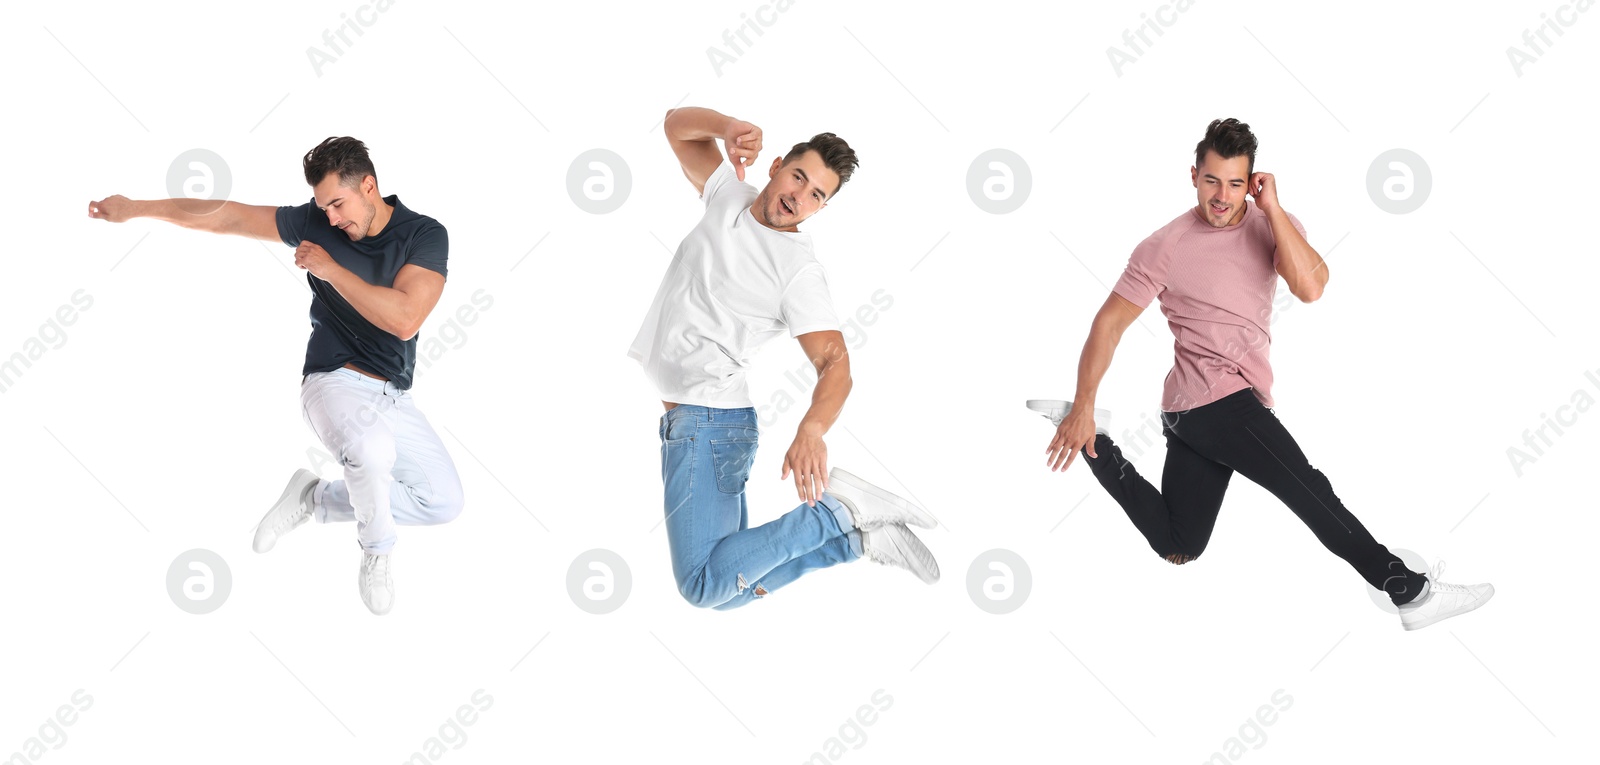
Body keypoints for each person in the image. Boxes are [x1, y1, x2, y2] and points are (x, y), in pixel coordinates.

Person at [1032, 118, 1492, 631]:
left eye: (1235, 183)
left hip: (1186, 414)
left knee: (1179, 544)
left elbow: (1312, 287)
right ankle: (1408, 590)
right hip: (1218, 403)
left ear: (1252, 181)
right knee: (1309, 489)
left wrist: (1272, 210)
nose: (1222, 196)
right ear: (1193, 176)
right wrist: (1084, 399)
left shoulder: (1272, 223)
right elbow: (1108, 324)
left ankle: (1098, 445)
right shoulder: (1164, 245)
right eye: (1211, 181)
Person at [88, 136, 463, 615]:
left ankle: (316, 498)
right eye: (322, 206)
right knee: (372, 452)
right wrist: (136, 207)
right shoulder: (312, 220)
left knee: (443, 501)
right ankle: (377, 551)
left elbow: (405, 317)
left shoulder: (425, 234)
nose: (329, 218)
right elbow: (229, 215)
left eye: (337, 203)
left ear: (369, 186)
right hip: (333, 380)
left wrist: (329, 270)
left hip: (393, 395)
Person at [630, 106, 939, 610]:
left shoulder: (798, 271)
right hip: (699, 422)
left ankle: (838, 513)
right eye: (798, 177)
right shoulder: (729, 195)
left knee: (703, 586)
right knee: (730, 593)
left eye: (817, 194)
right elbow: (673, 126)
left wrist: (813, 429)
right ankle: (855, 540)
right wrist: (727, 128)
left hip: (709, 423)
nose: (799, 196)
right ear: (776, 167)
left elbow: (836, 365)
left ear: (821, 208)